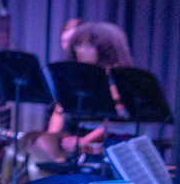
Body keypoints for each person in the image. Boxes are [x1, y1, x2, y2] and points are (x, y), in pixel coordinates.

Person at [35, 21, 133, 162]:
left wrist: (83, 141)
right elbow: (60, 110)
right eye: (77, 45)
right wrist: (51, 140)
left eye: (87, 46)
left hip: (107, 152)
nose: (79, 50)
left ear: (106, 48)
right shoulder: (78, 78)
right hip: (73, 148)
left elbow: (115, 121)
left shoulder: (118, 80)